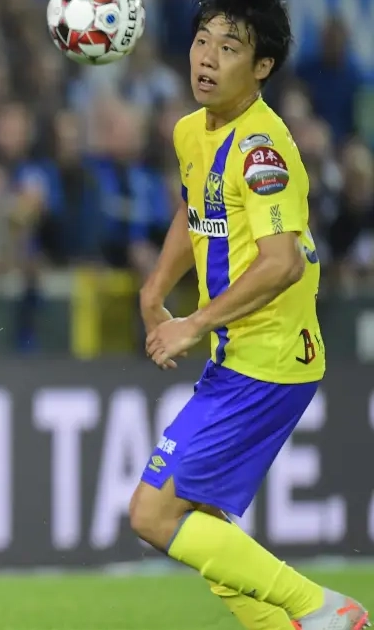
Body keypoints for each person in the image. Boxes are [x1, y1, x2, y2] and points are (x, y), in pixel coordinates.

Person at [134, 1, 368, 629]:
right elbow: (196, 207)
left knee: (154, 515)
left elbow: (282, 263)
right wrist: (155, 288)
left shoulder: (264, 149)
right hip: (241, 356)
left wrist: (193, 321)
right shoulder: (192, 131)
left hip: (268, 359)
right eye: (201, 41)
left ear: (262, 66)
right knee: (203, 525)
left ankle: (324, 609)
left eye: (229, 48)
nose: (207, 58)